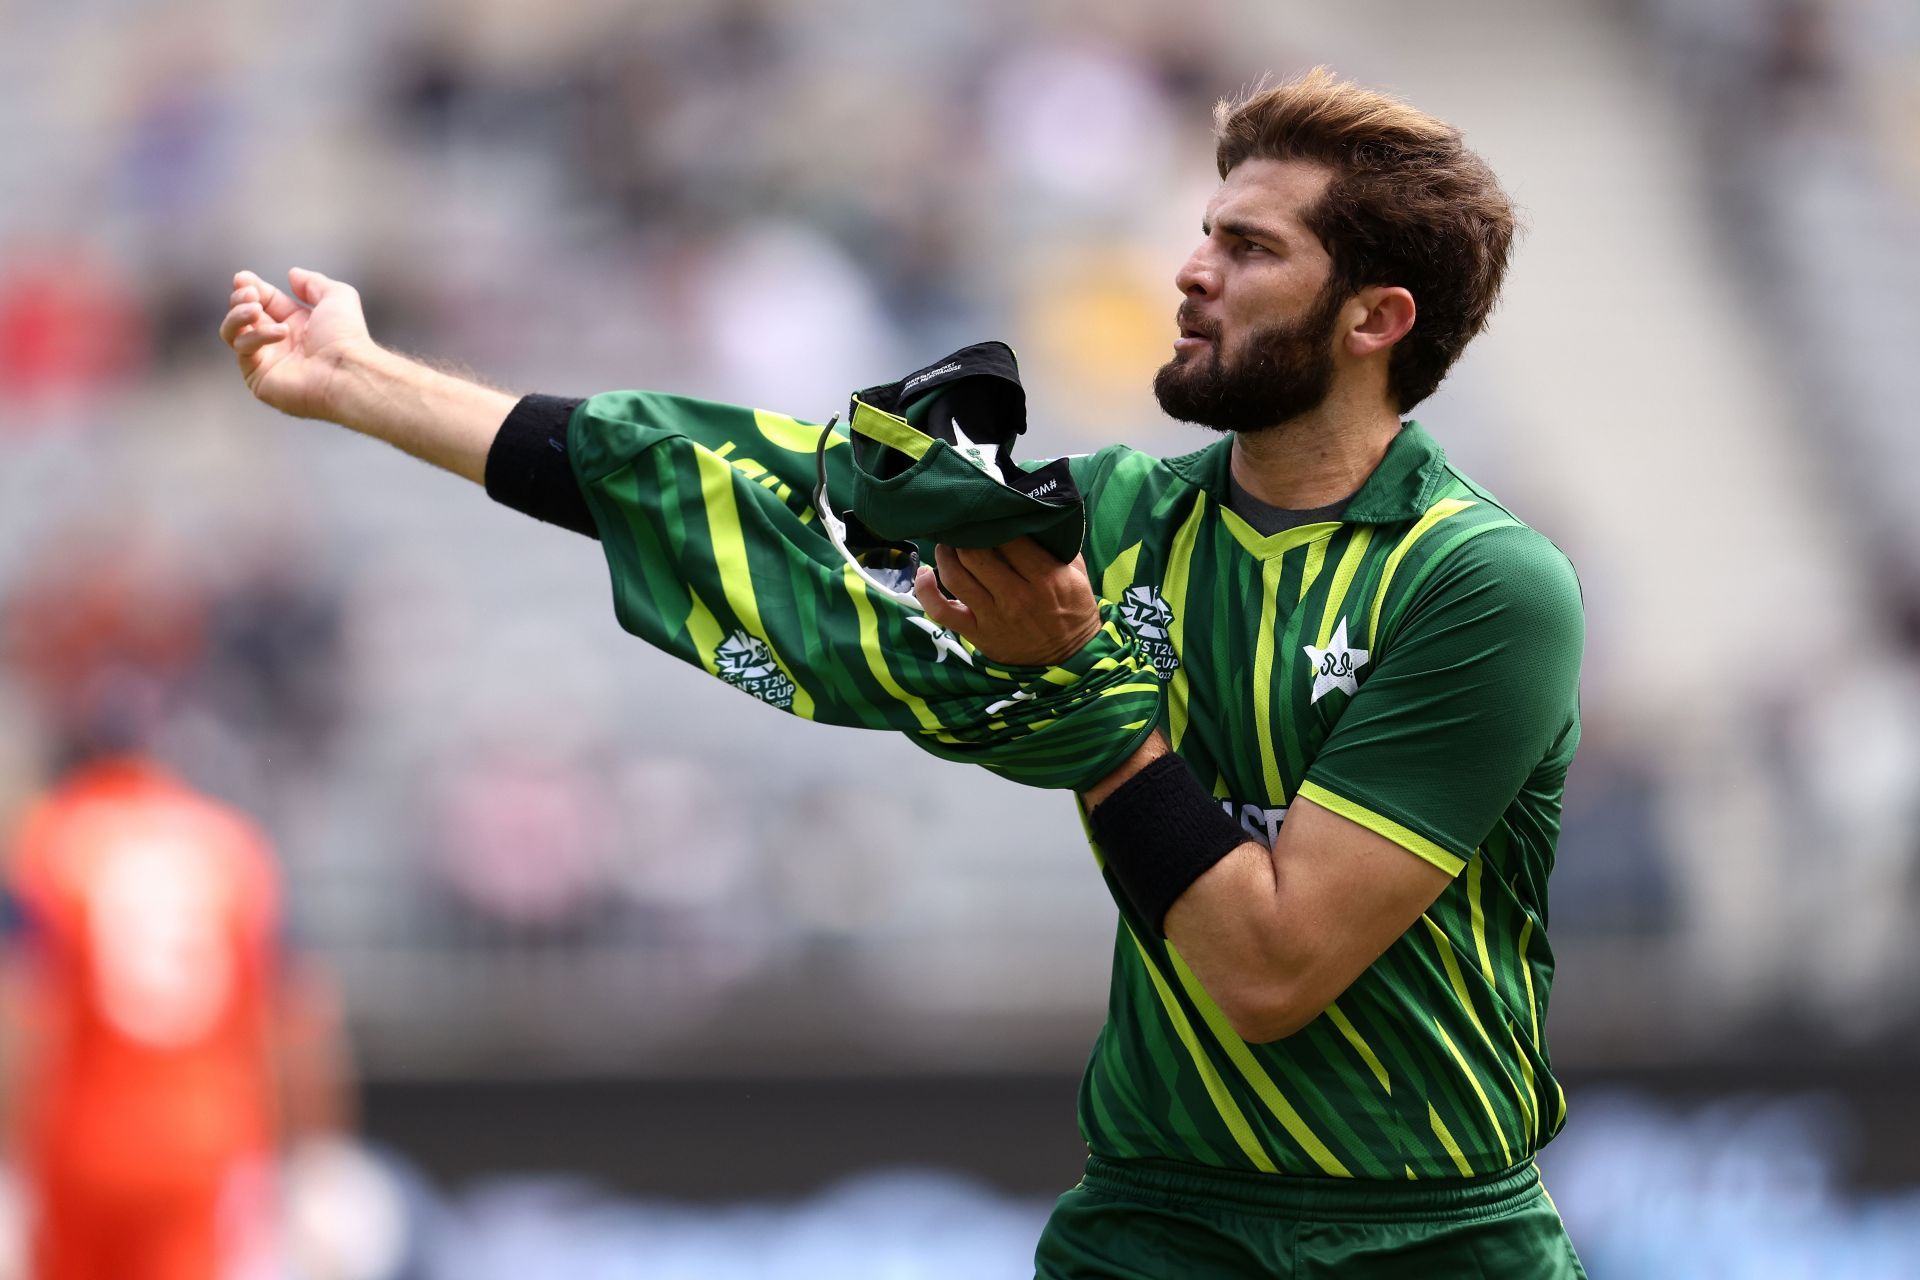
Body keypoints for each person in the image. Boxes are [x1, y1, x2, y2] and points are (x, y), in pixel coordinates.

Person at [219, 67, 1586, 1278]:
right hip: (1157, 1224)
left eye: (1248, 246)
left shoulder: (1481, 584)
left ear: (1374, 319)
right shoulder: (1116, 521)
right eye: (1201, 231)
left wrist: (1087, 700)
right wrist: (362, 381)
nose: (1191, 268)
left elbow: (1272, 965)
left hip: (1428, 1236)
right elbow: (739, 489)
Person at [2, 752, 352, 1280]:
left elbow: (25, 1016)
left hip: (79, 1145)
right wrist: (316, 1161)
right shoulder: (232, 846)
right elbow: (302, 1018)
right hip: (206, 1144)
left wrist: (10, 1163)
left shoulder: (48, 844)